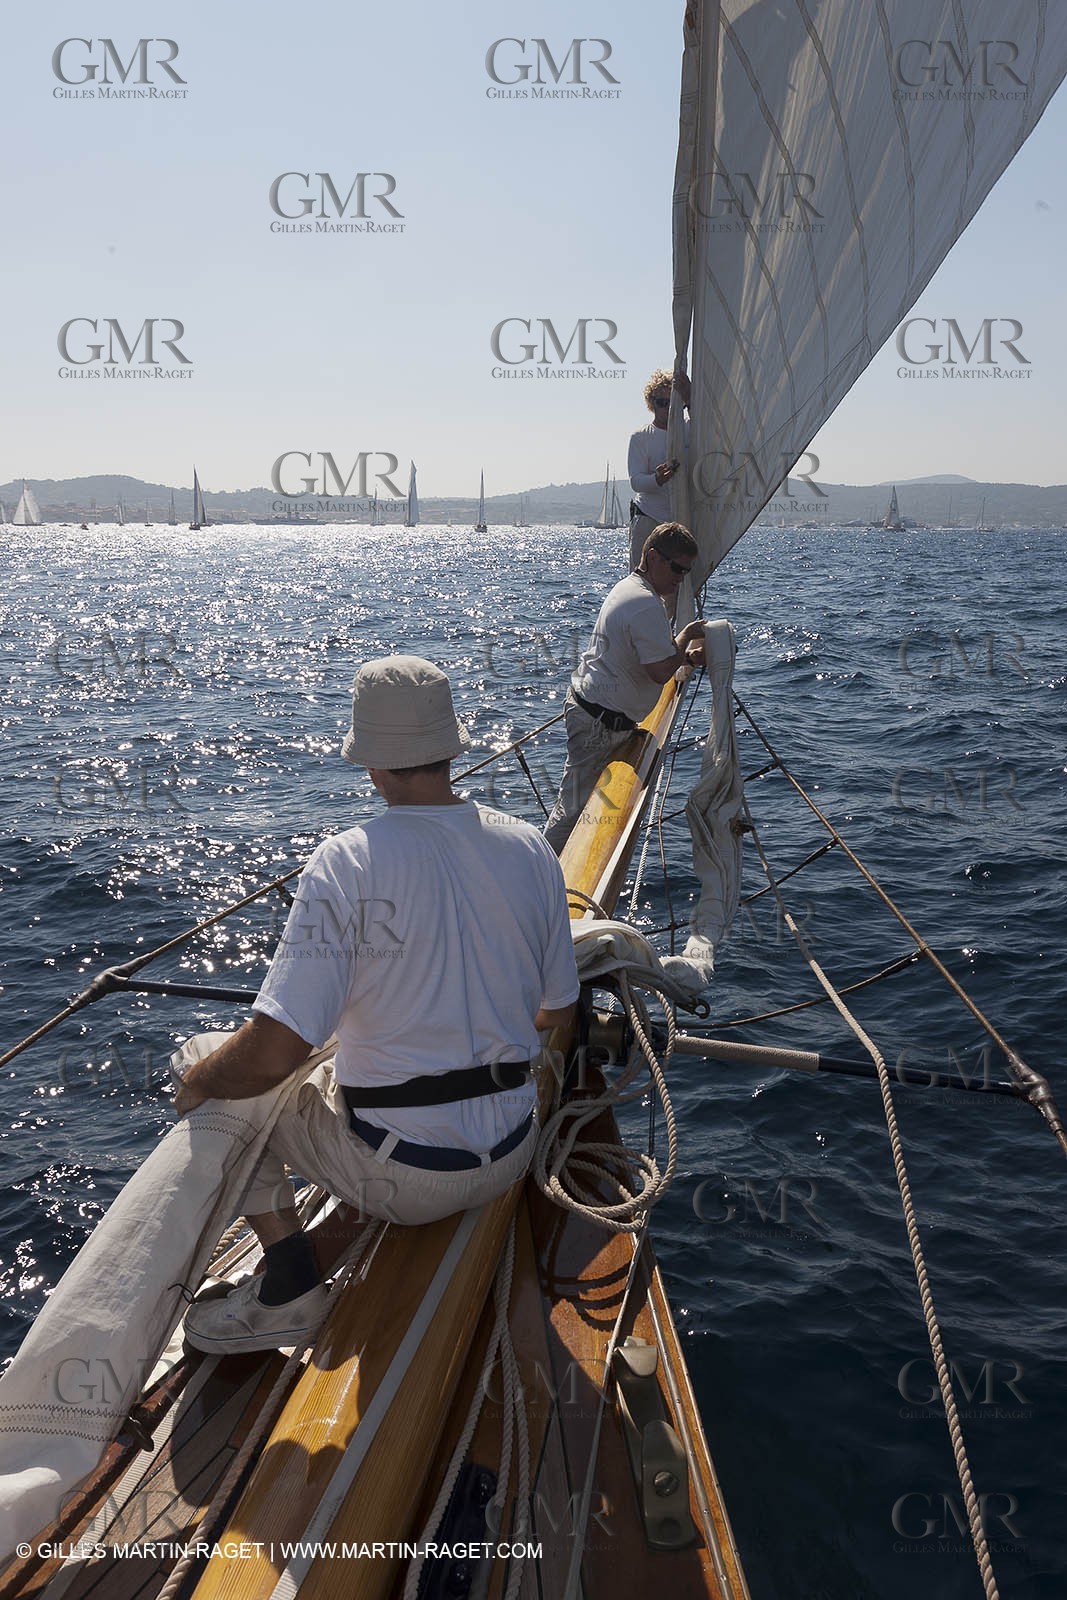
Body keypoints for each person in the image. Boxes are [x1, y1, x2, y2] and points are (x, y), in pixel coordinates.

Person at [178, 655, 579, 1353]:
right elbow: (555, 1014)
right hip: (512, 1152)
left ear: (371, 764)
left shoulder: (346, 861)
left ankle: (289, 1286)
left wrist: (197, 1083)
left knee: (212, 1063)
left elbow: (272, 1055)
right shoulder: (530, 848)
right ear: (451, 748)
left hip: (405, 1179)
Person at [543, 524, 705, 856]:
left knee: (575, 807)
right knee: (571, 813)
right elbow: (660, 672)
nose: (681, 579)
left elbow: (642, 657)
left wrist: (685, 656)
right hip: (599, 724)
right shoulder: (645, 603)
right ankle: (539, 874)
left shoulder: (631, 588)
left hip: (596, 714)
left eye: (686, 571)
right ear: (653, 557)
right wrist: (687, 637)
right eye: (677, 568)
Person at [627, 369, 691, 570]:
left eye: (672, 402)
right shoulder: (640, 437)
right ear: (651, 404)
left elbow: (709, 427)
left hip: (683, 517)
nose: (667, 408)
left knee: (680, 578)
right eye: (661, 402)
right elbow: (636, 481)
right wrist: (656, 479)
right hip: (648, 516)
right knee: (642, 576)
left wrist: (689, 398)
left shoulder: (690, 429)